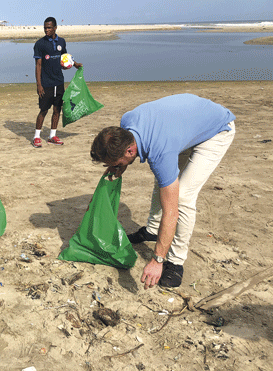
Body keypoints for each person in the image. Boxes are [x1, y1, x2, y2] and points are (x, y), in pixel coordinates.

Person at [90, 94, 236, 290]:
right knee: (164, 181)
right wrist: (121, 165)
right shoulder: (127, 122)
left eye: (114, 163)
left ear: (130, 151)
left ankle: (175, 261)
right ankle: (152, 230)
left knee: (181, 197)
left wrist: (157, 260)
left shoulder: (161, 151)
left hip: (216, 130)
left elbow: (171, 212)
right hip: (184, 127)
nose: (113, 167)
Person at [32, 16, 82, 148]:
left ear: (55, 28)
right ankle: (36, 137)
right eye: (45, 28)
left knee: (57, 109)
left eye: (49, 27)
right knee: (43, 110)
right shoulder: (40, 44)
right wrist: (39, 85)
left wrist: (75, 64)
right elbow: (38, 65)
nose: (46, 30)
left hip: (59, 81)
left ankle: (52, 136)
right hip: (46, 83)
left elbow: (65, 58)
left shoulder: (62, 42)